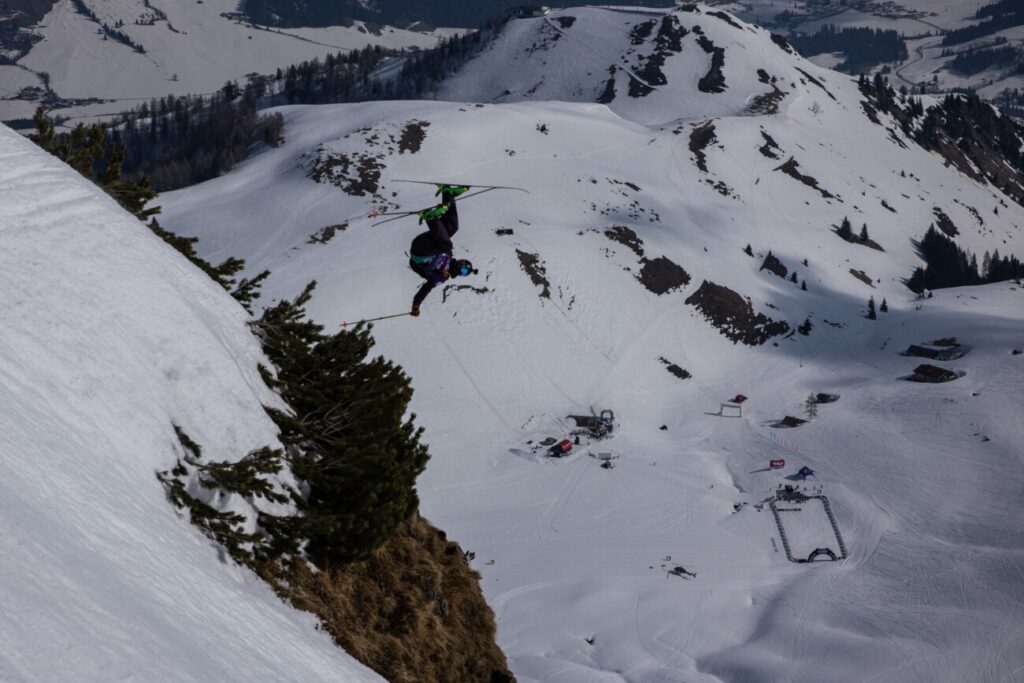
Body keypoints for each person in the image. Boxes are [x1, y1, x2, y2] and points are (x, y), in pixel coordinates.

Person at [408, 185, 477, 316]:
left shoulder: (442, 276)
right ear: (461, 262)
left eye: (463, 272)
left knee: (447, 245)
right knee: (452, 228)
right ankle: (448, 194)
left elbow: (426, 288)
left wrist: (416, 303)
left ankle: (430, 217)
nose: (460, 271)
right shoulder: (449, 257)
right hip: (426, 242)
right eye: (463, 269)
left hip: (419, 254)